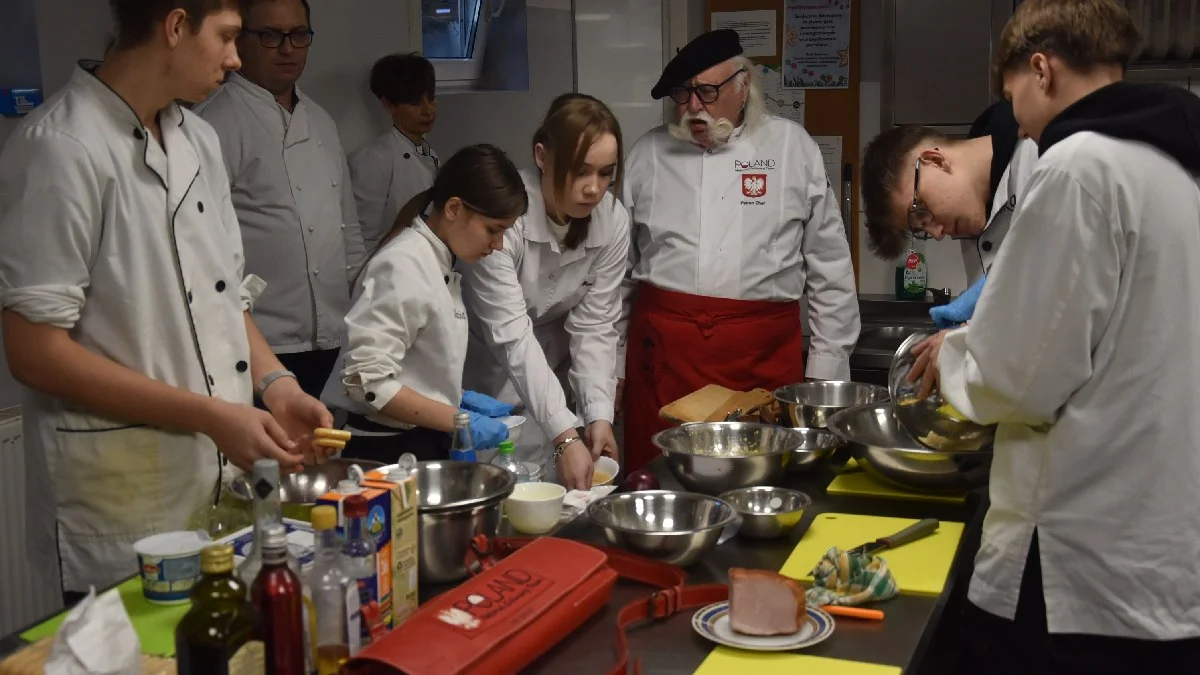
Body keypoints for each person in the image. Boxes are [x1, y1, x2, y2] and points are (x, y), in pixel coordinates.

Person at [0, 0, 333, 602]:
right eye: (228, 38)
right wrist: (210, 416)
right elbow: (34, 352)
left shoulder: (198, 138)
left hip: (213, 486)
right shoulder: (61, 147)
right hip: (121, 500)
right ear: (176, 27)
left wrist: (277, 384)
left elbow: (226, 294)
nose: (236, 59)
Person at [908, 1, 1200, 672]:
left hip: (1081, 562)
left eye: (1011, 94)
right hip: (1159, 556)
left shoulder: (1077, 169)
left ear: (1041, 70)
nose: (1014, 117)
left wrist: (956, 355)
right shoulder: (1174, 166)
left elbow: (1020, 380)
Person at [620, 29, 860, 472]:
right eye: (683, 94)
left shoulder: (793, 148)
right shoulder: (646, 154)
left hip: (761, 361)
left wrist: (825, 376)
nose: (693, 107)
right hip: (667, 362)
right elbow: (617, 278)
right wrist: (613, 373)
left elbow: (830, 271)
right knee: (661, 483)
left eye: (707, 92)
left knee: (761, 486)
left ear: (743, 85)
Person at [194, 0, 367, 399]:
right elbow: (203, 254)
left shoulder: (321, 121)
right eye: (271, 36)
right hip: (257, 344)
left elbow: (349, 231)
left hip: (333, 337)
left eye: (299, 35)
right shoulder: (212, 124)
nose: (288, 48)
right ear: (241, 39)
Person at [321, 145, 528, 463]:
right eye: (493, 230)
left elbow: (414, 361)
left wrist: (452, 397)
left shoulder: (439, 262)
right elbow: (367, 383)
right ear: (454, 208)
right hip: (385, 451)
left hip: (419, 440)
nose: (498, 245)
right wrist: (457, 419)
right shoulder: (403, 264)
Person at [462, 93, 627, 490]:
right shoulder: (505, 216)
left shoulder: (611, 219)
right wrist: (566, 434)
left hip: (549, 384)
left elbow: (596, 325)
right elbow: (511, 335)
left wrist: (598, 415)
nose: (593, 189)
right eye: (580, 171)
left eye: (605, 174)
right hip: (481, 379)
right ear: (542, 156)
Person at [861, 102, 1038, 288]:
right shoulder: (970, 221)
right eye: (922, 229)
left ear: (934, 161)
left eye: (920, 212)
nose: (938, 234)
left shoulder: (1039, 149)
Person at [350, 52, 440, 252]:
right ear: (388, 105)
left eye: (431, 98)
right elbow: (363, 236)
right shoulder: (374, 159)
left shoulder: (430, 154)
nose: (428, 110)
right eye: (415, 103)